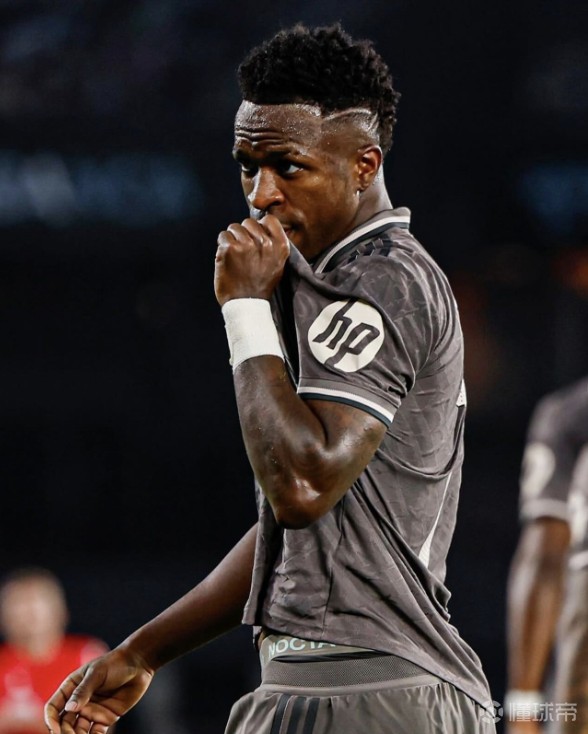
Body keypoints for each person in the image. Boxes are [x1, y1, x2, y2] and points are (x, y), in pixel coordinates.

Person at [45, 22, 496, 734]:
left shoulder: (386, 281)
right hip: (322, 681)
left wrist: (244, 308)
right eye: (247, 166)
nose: (261, 194)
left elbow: (303, 488)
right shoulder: (334, 285)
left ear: (364, 165)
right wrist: (144, 651)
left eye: (288, 167)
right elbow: (294, 531)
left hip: (373, 690)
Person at [505, 376, 588, 733]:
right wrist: (523, 710)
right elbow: (545, 559)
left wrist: (522, 710)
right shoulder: (574, 414)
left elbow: (544, 560)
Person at [0, 567, 108, 734]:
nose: (30, 613)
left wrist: (32, 720)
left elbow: (99, 723)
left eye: (36, 602)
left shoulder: (87, 656)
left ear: (60, 610)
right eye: (19, 604)